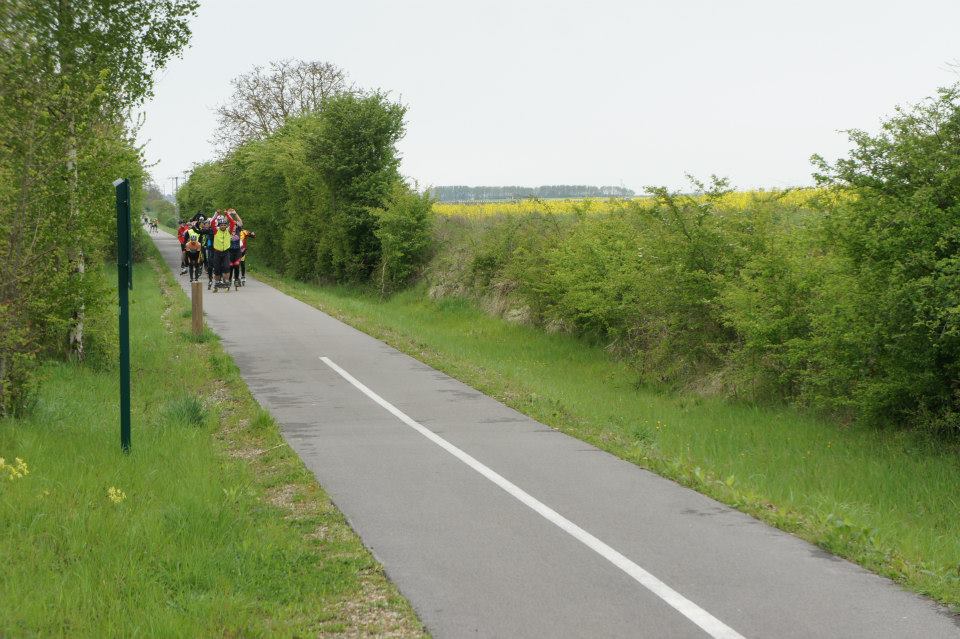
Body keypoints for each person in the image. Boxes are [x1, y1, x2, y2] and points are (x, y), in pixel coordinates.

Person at [210, 209, 242, 292]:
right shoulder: (216, 231)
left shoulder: (229, 231)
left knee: (227, 267)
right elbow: (212, 222)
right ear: (219, 226)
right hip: (217, 252)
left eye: (224, 225)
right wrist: (216, 213)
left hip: (226, 252)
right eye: (222, 225)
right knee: (217, 269)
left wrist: (227, 214)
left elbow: (232, 222)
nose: (223, 226)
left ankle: (226, 281)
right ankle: (217, 282)